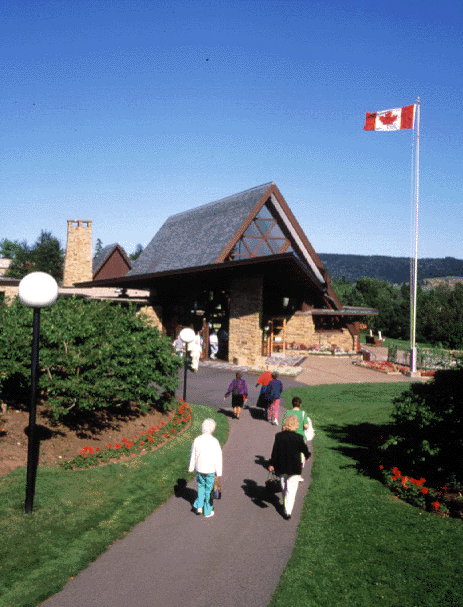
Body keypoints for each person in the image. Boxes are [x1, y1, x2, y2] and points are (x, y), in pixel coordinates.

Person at [268, 414, 311, 520]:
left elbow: (275, 452)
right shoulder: (299, 438)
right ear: (296, 425)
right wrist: (307, 455)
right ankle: (288, 510)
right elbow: (304, 449)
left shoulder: (279, 436)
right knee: (291, 490)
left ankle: (286, 509)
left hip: (281, 466)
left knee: (284, 487)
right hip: (294, 467)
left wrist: (272, 463)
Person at [189, 418, 223, 518]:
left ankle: (199, 506)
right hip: (210, 470)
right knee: (208, 490)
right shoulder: (214, 441)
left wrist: (191, 467)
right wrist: (218, 472)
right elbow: (218, 458)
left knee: (201, 487)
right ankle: (207, 511)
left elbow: (193, 454)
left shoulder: (197, 440)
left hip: (199, 469)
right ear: (212, 429)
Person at [282, 396, 313, 467]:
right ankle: (299, 465)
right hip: (300, 437)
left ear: (292, 403)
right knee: (301, 453)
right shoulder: (303, 413)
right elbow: (306, 426)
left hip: (289, 436)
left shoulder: (287, 412)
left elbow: (283, 427)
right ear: (300, 405)